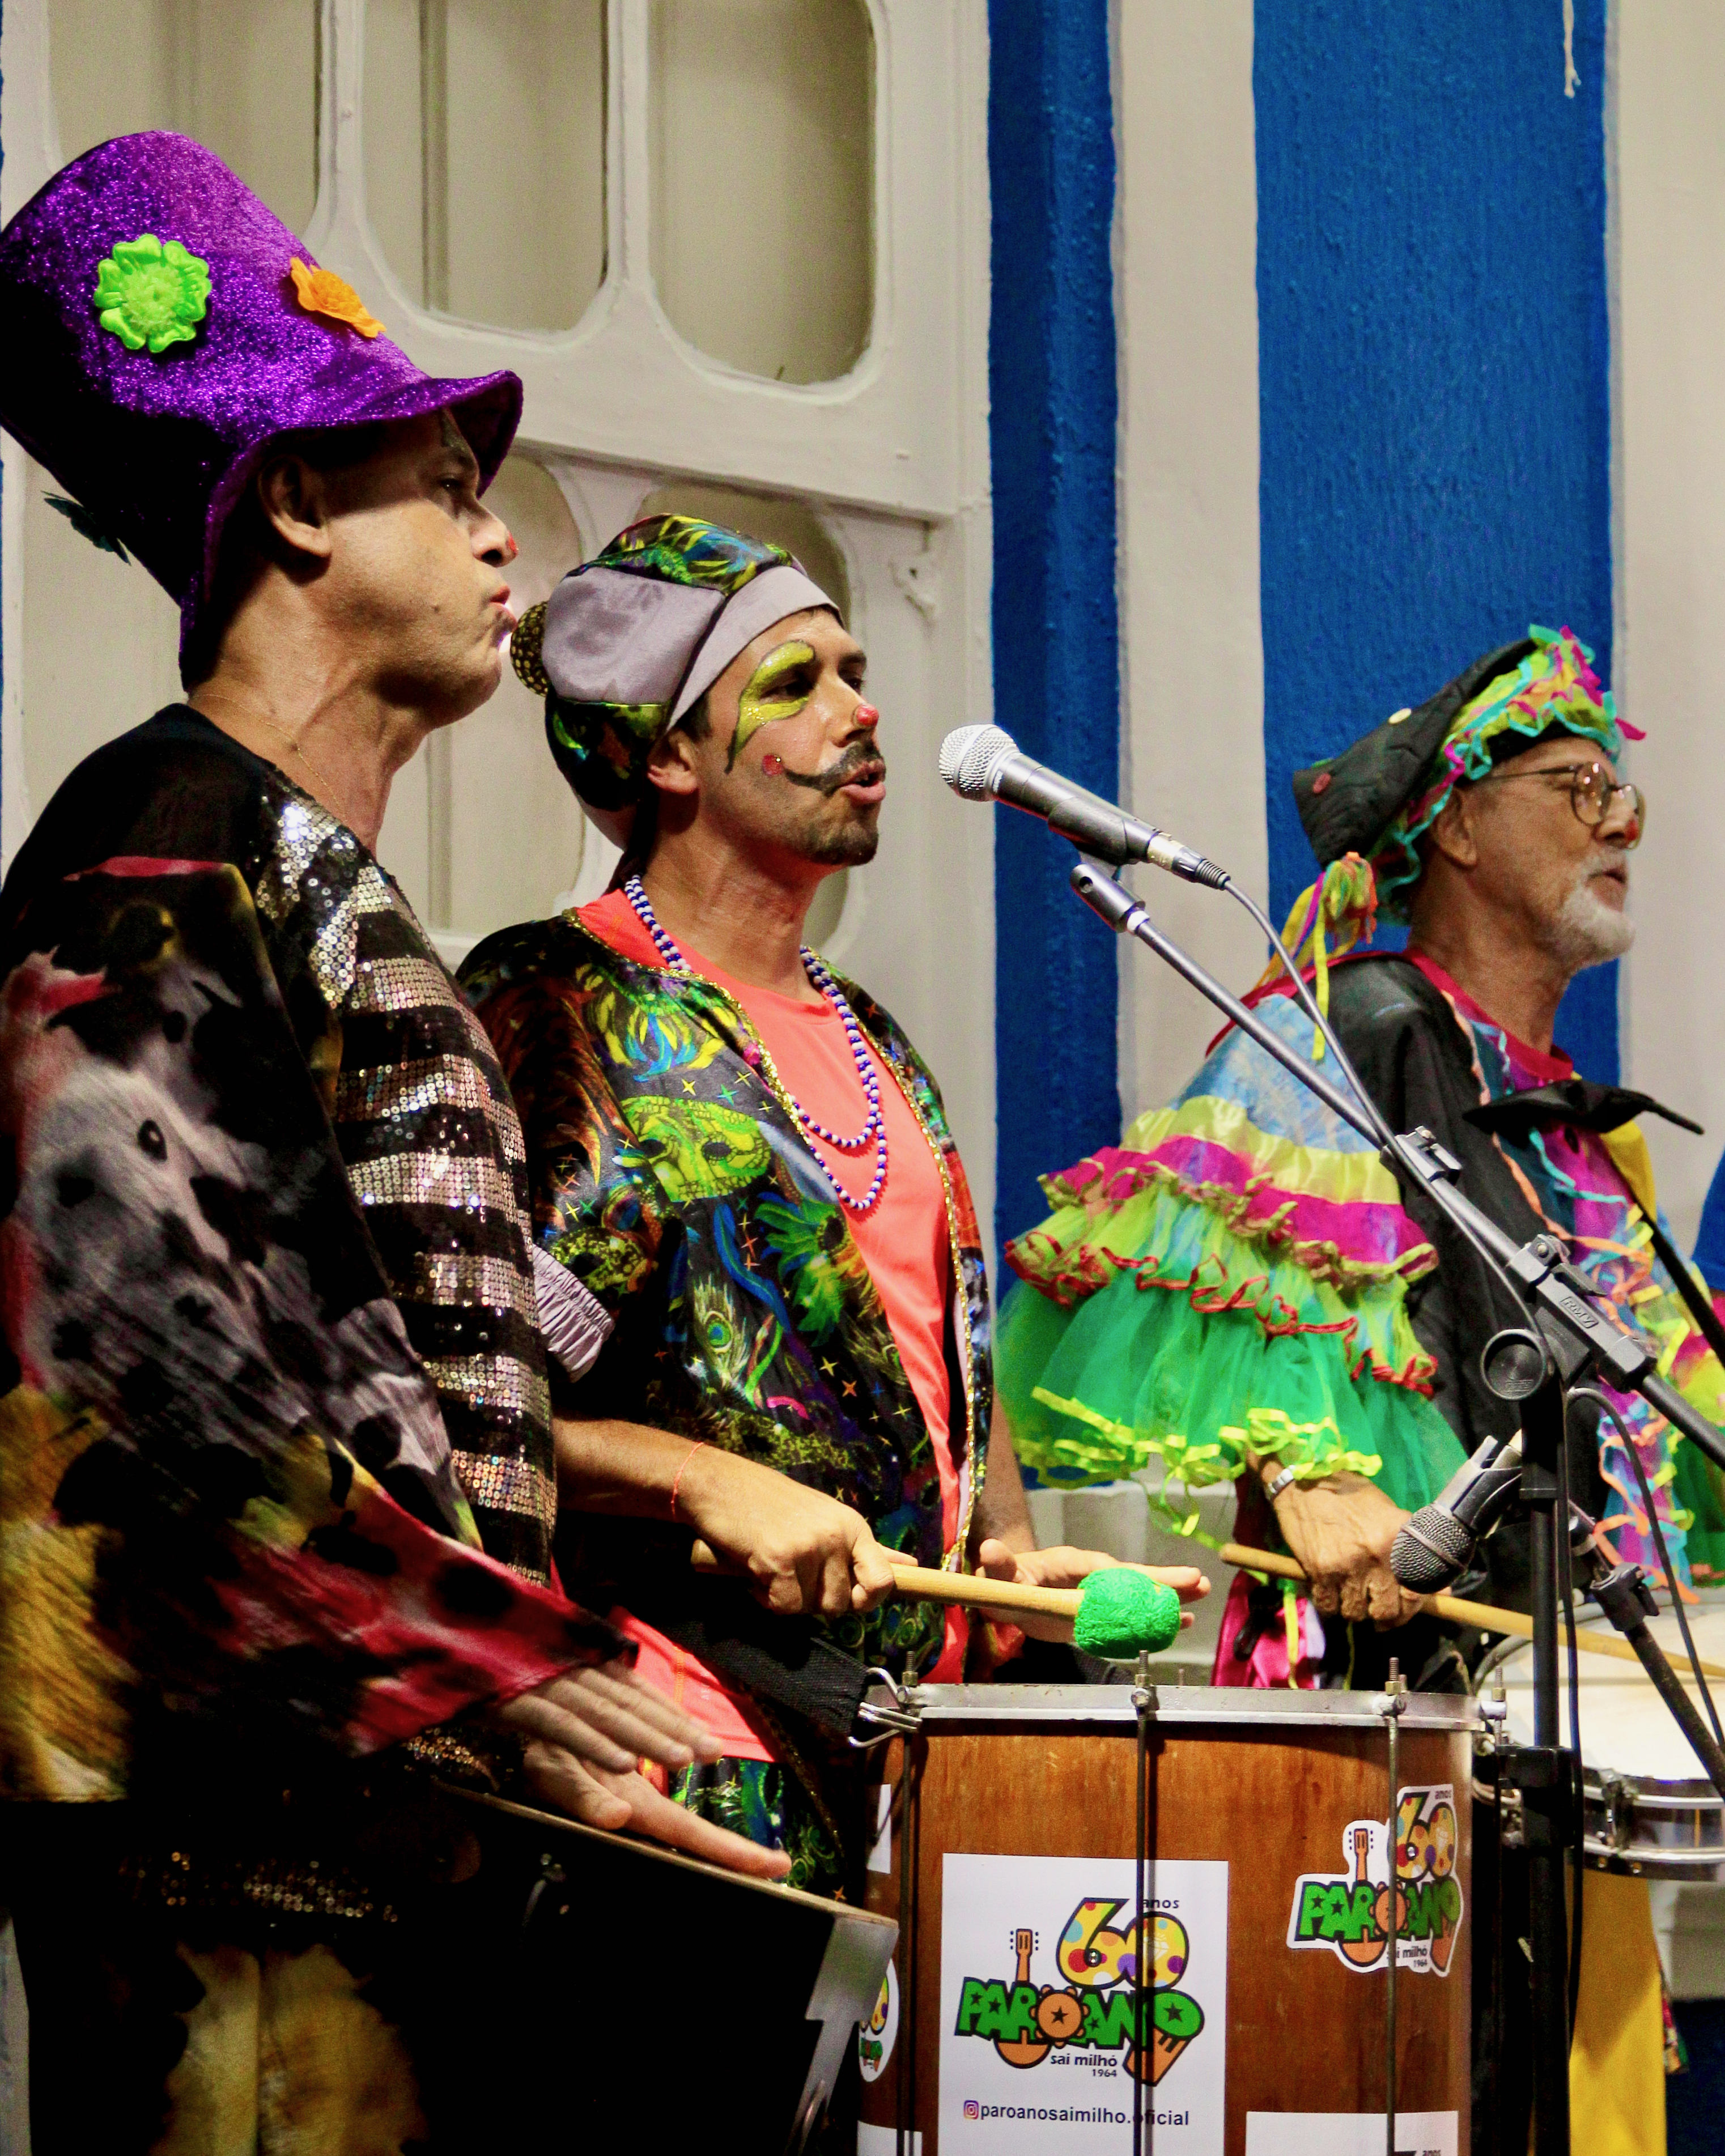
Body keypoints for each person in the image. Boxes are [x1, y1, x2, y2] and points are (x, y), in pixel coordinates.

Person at [0, 134, 775, 2154]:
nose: (501, 533)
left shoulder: (307, 875)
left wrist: (552, 1659)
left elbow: (430, 1356)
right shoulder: (162, 841)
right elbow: (124, 1369)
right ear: (294, 506)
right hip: (237, 1897)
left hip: (376, 1853)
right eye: (445, 483)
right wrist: (484, 1664)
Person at [997, 623, 1724, 2151]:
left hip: (1559, 1758)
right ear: (1455, 821)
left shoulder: (1581, 1129)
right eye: (1573, 781)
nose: (1622, 817)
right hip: (1398, 1796)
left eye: (1622, 784)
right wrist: (1302, 1463)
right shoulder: (1337, 1034)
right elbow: (1183, 1329)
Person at [461, 513, 1209, 1897]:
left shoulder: (874, 1040)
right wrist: (697, 1474)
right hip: (676, 1745)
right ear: (666, 752)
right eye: (793, 683)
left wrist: (1010, 1557)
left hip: (897, 1757)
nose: (862, 712)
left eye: (855, 669)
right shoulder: (559, 1005)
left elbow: (936, 1360)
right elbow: (458, 1406)